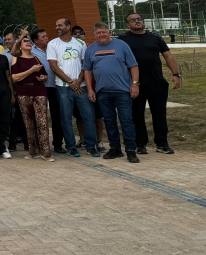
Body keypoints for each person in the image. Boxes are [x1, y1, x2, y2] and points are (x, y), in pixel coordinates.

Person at [119, 13, 181, 154]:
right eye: (133, 20)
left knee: (159, 114)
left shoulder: (155, 37)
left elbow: (168, 55)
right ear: (128, 25)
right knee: (137, 115)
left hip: (157, 83)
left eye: (139, 19)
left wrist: (176, 74)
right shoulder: (123, 39)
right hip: (136, 84)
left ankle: (162, 144)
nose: (137, 21)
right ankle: (140, 144)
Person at [84, 22, 141, 163]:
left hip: (123, 91)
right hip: (103, 92)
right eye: (98, 33)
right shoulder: (90, 50)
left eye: (104, 32)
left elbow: (133, 66)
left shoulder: (121, 45)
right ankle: (115, 148)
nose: (102, 35)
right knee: (109, 121)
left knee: (126, 120)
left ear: (109, 32)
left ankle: (130, 150)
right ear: (95, 35)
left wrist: (135, 84)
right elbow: (87, 70)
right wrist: (90, 89)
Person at [47, 18, 99, 158]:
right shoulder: (52, 44)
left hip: (81, 87)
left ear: (68, 27)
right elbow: (53, 66)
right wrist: (70, 82)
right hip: (63, 87)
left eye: (60, 25)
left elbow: (86, 64)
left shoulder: (80, 43)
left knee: (89, 116)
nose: (57, 27)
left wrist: (79, 80)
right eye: (56, 25)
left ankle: (91, 146)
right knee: (65, 118)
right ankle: (70, 146)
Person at [11, 33, 53, 161]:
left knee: (42, 122)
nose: (28, 43)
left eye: (29, 41)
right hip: (23, 91)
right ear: (20, 45)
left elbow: (46, 75)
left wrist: (43, 77)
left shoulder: (37, 59)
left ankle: (45, 152)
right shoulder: (16, 59)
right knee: (28, 122)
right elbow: (15, 77)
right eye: (25, 41)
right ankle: (32, 151)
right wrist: (31, 71)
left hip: (39, 90)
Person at [30, 28, 65, 154]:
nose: (46, 38)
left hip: (55, 86)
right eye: (43, 37)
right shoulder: (31, 50)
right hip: (40, 87)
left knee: (57, 116)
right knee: (40, 117)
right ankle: (41, 144)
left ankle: (58, 144)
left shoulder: (53, 47)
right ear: (36, 40)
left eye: (46, 36)